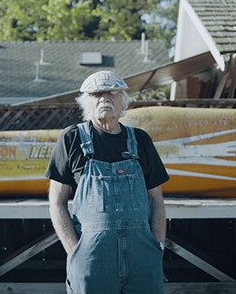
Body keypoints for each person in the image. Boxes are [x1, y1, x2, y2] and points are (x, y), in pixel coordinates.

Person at [45, 71, 169, 294]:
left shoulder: (140, 140)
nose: (104, 98)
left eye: (112, 93)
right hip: (92, 260)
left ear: (124, 101)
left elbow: (156, 199)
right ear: (86, 103)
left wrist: (157, 246)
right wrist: (75, 252)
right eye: (97, 94)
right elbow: (57, 202)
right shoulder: (71, 139)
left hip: (142, 258)